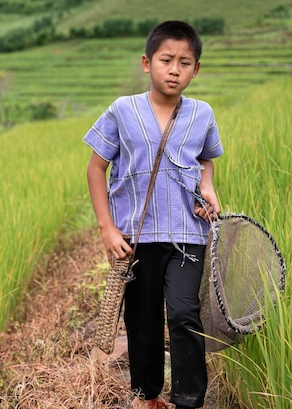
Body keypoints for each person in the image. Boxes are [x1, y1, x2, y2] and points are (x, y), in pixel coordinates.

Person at [83, 21, 223, 409]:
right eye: (166, 60)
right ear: (147, 63)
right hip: (136, 235)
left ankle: (189, 399)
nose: (174, 69)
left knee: (183, 312)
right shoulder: (122, 110)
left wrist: (208, 187)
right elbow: (96, 169)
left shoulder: (202, 114)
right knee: (142, 319)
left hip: (187, 233)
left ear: (197, 69)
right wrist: (106, 228)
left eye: (185, 62)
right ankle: (147, 396)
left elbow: (207, 161)